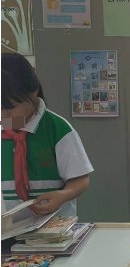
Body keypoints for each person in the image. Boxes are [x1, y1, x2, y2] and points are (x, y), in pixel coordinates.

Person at [1, 54, 93, 224]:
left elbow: (80, 179)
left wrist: (63, 195)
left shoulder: (57, 129)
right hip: (6, 231)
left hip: (52, 228)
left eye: (10, 108)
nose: (4, 115)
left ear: (33, 92)